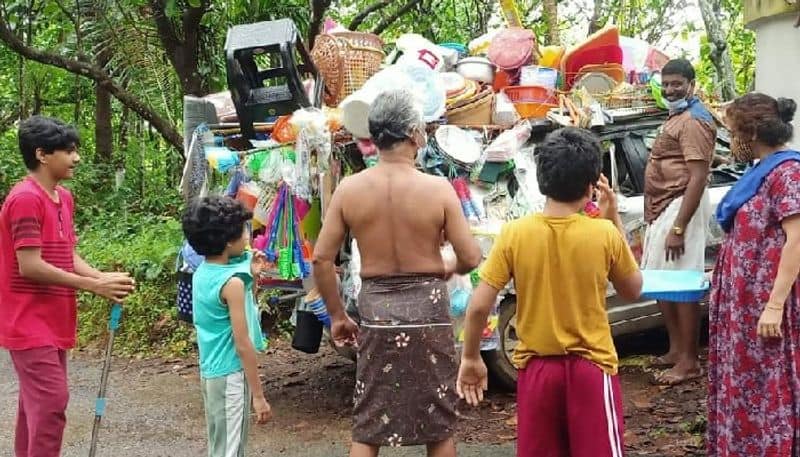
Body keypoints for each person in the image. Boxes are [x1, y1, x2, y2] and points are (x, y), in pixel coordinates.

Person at [312, 90, 482, 457]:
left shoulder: (350, 189)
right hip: (429, 313)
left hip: (376, 315)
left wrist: (339, 316)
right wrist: (442, 266)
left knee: (369, 423)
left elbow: (321, 260)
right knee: (438, 424)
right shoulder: (437, 189)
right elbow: (471, 256)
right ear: (413, 133)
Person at [457, 127, 643, 457]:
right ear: (591, 185)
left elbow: (478, 307)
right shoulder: (603, 233)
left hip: (537, 371)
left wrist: (471, 356)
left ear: (543, 180)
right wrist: (611, 216)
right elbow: (632, 290)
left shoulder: (515, 234)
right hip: (591, 368)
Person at [0, 116, 136, 457]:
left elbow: (64, 253)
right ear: (42, 154)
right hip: (27, 321)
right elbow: (29, 265)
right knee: (50, 403)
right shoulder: (25, 199)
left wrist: (100, 277)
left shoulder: (63, 197)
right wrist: (92, 287)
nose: (76, 158)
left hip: (54, 317)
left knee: (36, 406)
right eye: (68, 151)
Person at [707, 94, 800, 456]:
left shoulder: (788, 173)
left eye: (733, 132)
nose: (732, 141)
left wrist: (775, 305)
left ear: (751, 132)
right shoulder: (759, 172)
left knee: (768, 384)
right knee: (746, 384)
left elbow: (797, 239)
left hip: (767, 305)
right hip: (744, 304)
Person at [642, 58, 717, 385]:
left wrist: (678, 227)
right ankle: (676, 350)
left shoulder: (695, 121)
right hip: (663, 206)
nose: (671, 90)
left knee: (683, 283)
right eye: (667, 83)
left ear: (692, 84)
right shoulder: (678, 116)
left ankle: (689, 361)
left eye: (677, 84)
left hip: (679, 208)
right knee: (662, 281)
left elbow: (698, 177)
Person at [182, 196, 272, 456]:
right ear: (228, 241)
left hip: (211, 372)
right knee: (230, 450)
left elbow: (242, 308)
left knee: (220, 445)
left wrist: (252, 278)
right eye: (243, 230)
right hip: (231, 375)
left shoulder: (202, 274)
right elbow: (243, 344)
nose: (247, 235)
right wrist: (258, 395)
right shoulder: (231, 283)